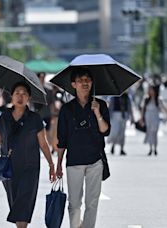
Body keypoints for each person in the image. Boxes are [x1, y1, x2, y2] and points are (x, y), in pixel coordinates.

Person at [0, 81, 56, 228]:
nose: (20, 97)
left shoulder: (34, 118)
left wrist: (51, 164)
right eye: (17, 93)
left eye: (24, 94)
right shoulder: (4, 117)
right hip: (9, 167)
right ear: (12, 96)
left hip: (30, 166)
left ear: (28, 97)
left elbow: (43, 143)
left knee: (25, 200)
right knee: (15, 202)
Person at [56, 67, 110, 228]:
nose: (85, 83)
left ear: (92, 82)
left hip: (95, 160)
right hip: (74, 161)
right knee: (74, 203)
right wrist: (58, 164)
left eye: (88, 80)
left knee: (92, 203)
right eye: (81, 80)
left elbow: (105, 131)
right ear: (74, 84)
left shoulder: (100, 105)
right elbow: (62, 140)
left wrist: (98, 113)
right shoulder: (66, 109)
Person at [140, 85, 167, 156]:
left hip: (155, 116)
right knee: (149, 132)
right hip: (148, 116)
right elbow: (143, 109)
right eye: (149, 90)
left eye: (151, 90)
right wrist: (142, 118)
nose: (150, 91)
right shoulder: (146, 99)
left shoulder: (158, 99)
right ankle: (150, 148)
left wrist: (166, 113)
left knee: (154, 132)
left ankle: (155, 148)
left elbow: (163, 108)